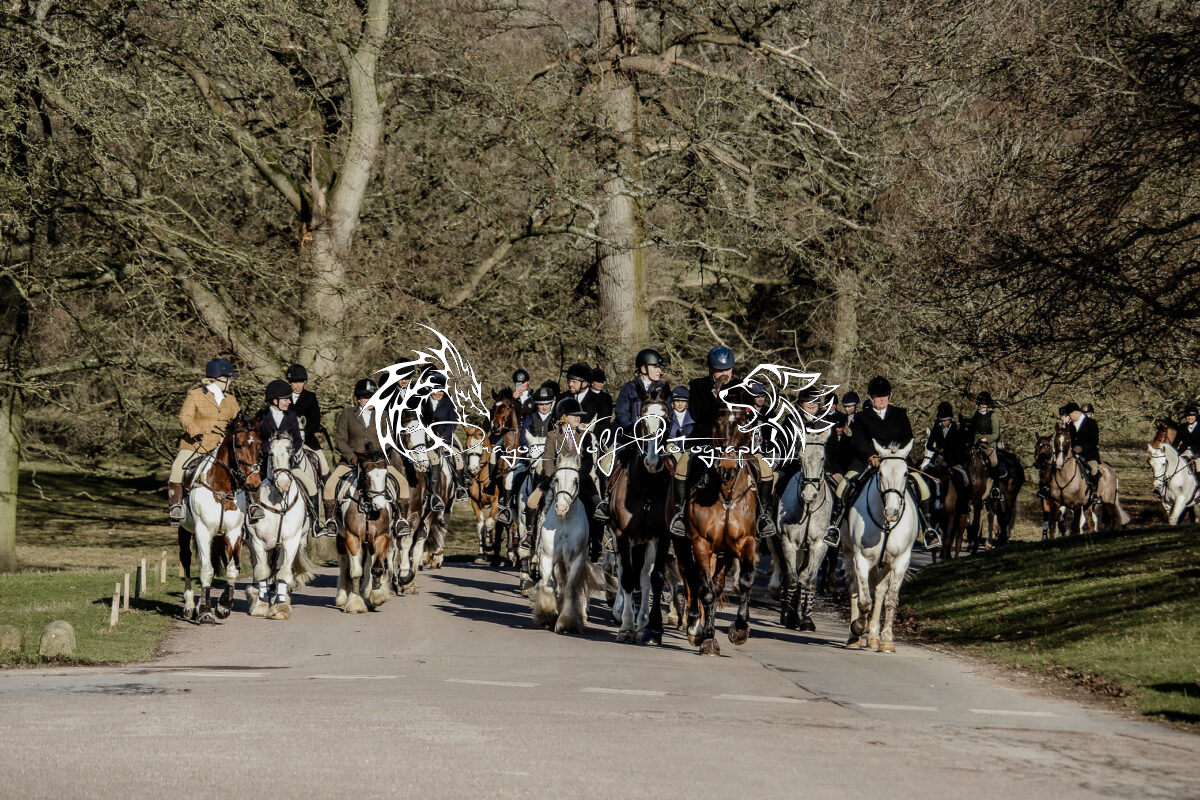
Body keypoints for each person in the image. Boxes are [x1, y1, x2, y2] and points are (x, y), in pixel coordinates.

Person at [320, 379, 409, 536]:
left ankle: (401, 521)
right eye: (365, 397)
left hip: (378, 464)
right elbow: (340, 439)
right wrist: (351, 456)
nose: (369, 400)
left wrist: (378, 456)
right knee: (329, 486)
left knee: (402, 483)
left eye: (372, 397)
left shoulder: (383, 415)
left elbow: (389, 439)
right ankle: (330, 522)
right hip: (351, 462)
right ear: (358, 399)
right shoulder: (347, 414)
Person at [595, 348, 667, 524]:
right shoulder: (629, 388)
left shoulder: (663, 390)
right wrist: (632, 430)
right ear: (643, 368)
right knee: (606, 462)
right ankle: (606, 501)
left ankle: (674, 506)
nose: (660, 370)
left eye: (659, 367)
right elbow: (621, 413)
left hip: (656, 441)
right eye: (655, 366)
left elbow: (668, 415)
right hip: (629, 438)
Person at [167, 358, 240, 526]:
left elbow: (237, 423)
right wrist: (195, 432)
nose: (230, 382)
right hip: (196, 445)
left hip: (222, 447)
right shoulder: (195, 395)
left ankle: (251, 506)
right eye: (228, 378)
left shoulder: (231, 400)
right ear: (219, 378)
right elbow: (184, 417)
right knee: (177, 468)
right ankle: (176, 507)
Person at [251, 379, 319, 528]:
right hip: (266, 464)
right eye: (285, 399)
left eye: (289, 399)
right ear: (275, 400)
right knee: (251, 485)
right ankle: (251, 515)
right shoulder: (261, 418)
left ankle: (316, 523)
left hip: (289, 464)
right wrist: (270, 450)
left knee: (312, 486)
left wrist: (288, 451)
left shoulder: (291, 415)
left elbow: (298, 440)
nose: (289, 401)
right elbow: (256, 441)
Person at [419, 372, 469, 509]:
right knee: (433, 460)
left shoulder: (448, 403)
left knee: (457, 456)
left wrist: (443, 438)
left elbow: (452, 423)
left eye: (441, 390)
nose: (439, 393)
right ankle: (434, 494)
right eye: (436, 390)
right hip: (427, 441)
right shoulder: (423, 403)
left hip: (445, 438)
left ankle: (460, 487)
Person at [285, 363, 329, 480]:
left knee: (324, 466)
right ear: (289, 382)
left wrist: (302, 436)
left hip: (308, 440)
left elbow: (315, 422)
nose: (298, 385)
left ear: (305, 382)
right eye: (295, 382)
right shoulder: (283, 398)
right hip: (286, 440)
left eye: (301, 382)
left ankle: (325, 490)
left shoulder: (311, 397)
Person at [1065, 401, 1102, 501]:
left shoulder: (1091, 423)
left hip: (1089, 456)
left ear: (1076, 412)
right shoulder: (1070, 426)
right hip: (1074, 456)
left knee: (1093, 469)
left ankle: (1094, 492)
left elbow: (1094, 441)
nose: (1069, 417)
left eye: (1070, 415)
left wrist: (1082, 448)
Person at [966, 391, 1007, 479]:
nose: (981, 407)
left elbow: (996, 434)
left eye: (983, 405)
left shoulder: (993, 416)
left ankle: (995, 482)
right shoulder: (974, 414)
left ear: (987, 405)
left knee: (993, 462)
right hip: (975, 444)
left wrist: (986, 439)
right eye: (980, 405)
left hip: (988, 445)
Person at [923, 401, 964, 468]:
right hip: (937, 458)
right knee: (925, 469)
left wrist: (946, 450)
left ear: (950, 419)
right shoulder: (936, 429)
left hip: (952, 460)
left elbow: (958, 447)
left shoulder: (956, 431)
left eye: (945, 421)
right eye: (941, 421)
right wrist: (936, 449)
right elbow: (929, 445)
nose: (942, 423)